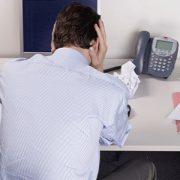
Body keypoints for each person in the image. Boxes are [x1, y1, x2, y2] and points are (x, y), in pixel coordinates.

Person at [0, 2, 156, 180]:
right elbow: (114, 137)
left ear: (53, 38)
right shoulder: (110, 91)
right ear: (96, 44)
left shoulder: (11, 72)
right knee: (145, 167)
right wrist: (98, 69)